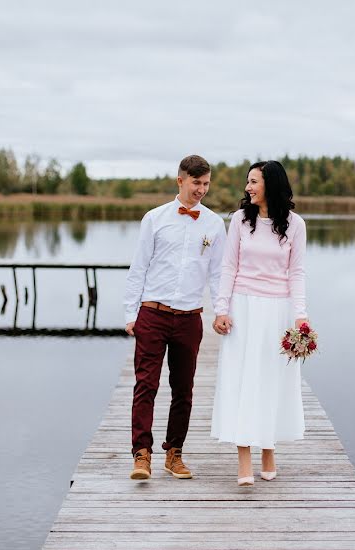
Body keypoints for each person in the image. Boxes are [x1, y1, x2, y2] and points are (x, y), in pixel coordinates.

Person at [123, 155, 226, 480]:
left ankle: (174, 453)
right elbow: (138, 267)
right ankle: (142, 455)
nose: (202, 190)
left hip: (189, 318)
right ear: (180, 180)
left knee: (184, 389)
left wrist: (221, 310)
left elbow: (218, 273)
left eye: (206, 184)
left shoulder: (213, 224)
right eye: (197, 183)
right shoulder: (154, 218)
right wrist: (131, 313)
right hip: (152, 313)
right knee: (146, 386)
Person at [211, 160, 309, 486]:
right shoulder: (240, 220)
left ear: (271, 185)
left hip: (278, 310)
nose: (248, 188)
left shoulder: (295, 225)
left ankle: (268, 448)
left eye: (253, 182)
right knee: (242, 379)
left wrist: (301, 317)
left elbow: (296, 273)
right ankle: (243, 457)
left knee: (270, 379)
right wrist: (221, 309)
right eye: (248, 182)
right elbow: (228, 266)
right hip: (243, 308)